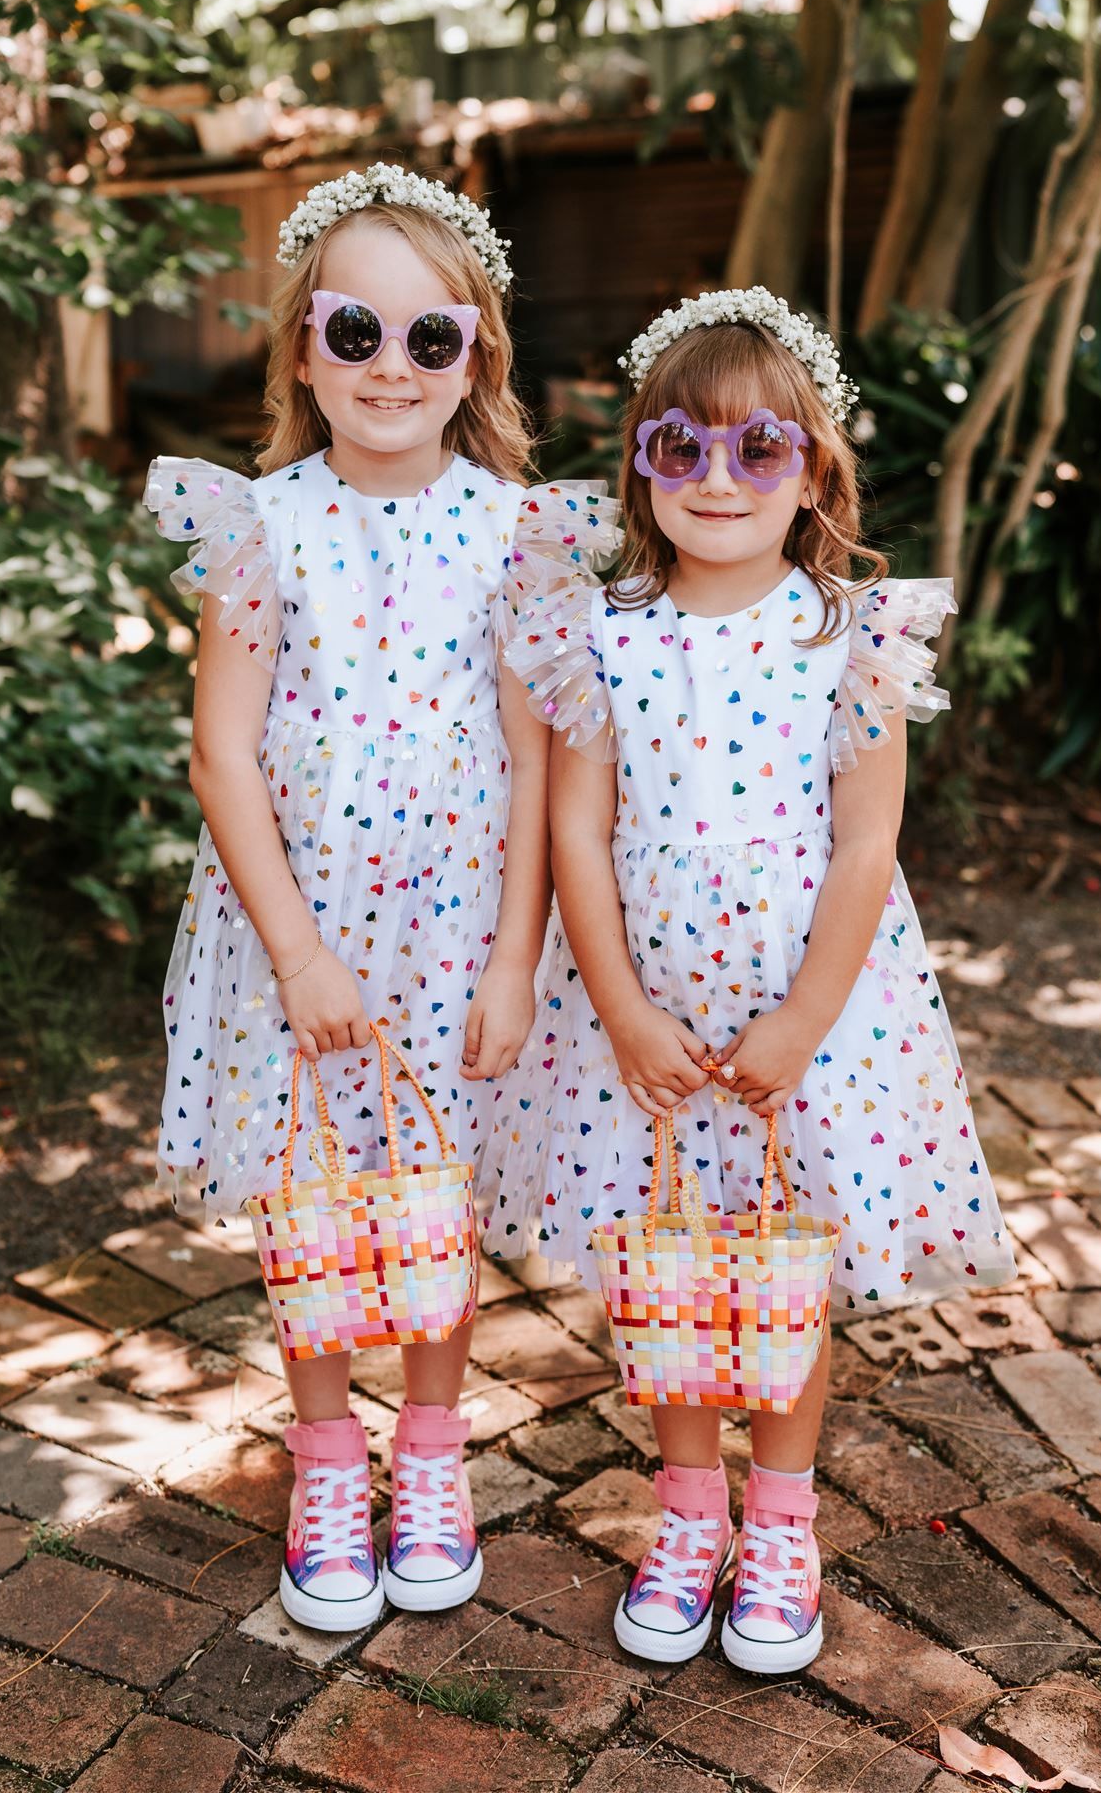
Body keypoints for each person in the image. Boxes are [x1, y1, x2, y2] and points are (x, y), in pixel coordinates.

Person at [481, 288, 1015, 1676]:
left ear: (811, 473)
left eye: (756, 451)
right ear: (640, 469)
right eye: (681, 449)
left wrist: (798, 1020)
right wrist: (619, 1006)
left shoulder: (851, 635)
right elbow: (574, 834)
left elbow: (864, 844)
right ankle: (686, 1508)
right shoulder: (593, 632)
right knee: (662, 1265)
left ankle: (780, 1520)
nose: (717, 481)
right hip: (645, 1006)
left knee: (783, 1268)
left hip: (808, 1010)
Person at [143, 164, 618, 1633]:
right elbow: (223, 752)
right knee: (311, 1202)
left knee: (428, 1198)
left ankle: (427, 1451)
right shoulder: (255, 525)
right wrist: (293, 957)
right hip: (298, 932)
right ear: (302, 349)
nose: (392, 369)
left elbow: (541, 773)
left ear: (475, 354)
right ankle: (328, 1457)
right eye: (356, 334)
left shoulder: (518, 534)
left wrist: (513, 963)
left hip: (453, 937)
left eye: (432, 338)